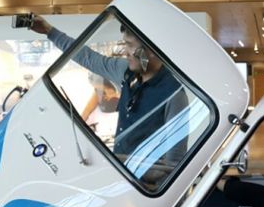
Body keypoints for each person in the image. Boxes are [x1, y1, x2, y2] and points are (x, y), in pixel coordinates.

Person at [30, 15, 187, 157]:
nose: (126, 52)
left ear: (152, 50)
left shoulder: (174, 94)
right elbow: (88, 58)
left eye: (130, 45)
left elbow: (174, 160)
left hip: (141, 185)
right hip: (117, 174)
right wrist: (49, 31)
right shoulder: (126, 71)